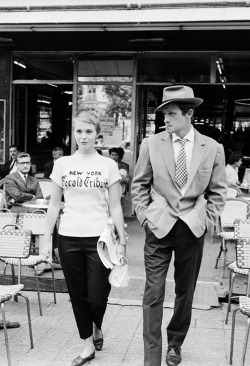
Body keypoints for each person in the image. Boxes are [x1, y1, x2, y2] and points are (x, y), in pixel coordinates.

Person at [132, 85, 227, 366]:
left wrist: (207, 220)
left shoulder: (212, 147)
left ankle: (175, 343)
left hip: (192, 229)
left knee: (185, 292)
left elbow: (219, 191)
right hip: (158, 227)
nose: (166, 119)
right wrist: (144, 216)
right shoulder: (151, 144)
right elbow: (139, 185)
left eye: (171, 114)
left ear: (189, 114)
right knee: (153, 292)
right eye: (164, 114)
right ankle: (152, 358)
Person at [42, 110, 127, 366]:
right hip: (68, 238)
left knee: (97, 296)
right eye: (79, 131)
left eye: (89, 131)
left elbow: (115, 206)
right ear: (74, 134)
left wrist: (122, 240)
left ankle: (97, 324)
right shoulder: (62, 164)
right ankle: (87, 344)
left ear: (97, 134)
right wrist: (48, 239)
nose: (84, 136)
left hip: (99, 240)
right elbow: (54, 205)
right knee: (77, 296)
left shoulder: (108, 165)